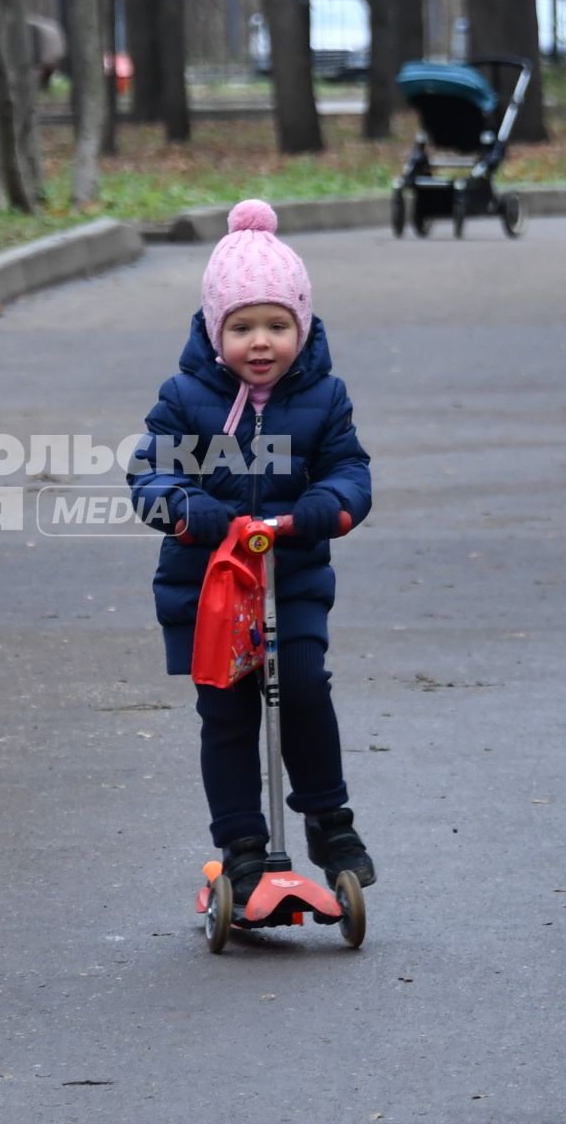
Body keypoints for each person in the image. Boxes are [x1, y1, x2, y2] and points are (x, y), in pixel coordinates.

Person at [128, 198, 375, 911]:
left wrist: (327, 506)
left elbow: (349, 470)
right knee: (230, 712)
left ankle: (331, 824)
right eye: (241, 327)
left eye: (276, 325)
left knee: (301, 686)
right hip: (210, 587)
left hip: (290, 577)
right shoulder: (182, 399)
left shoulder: (325, 399)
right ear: (214, 330)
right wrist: (184, 508)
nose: (259, 342)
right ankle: (241, 846)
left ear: (302, 325)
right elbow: (149, 474)